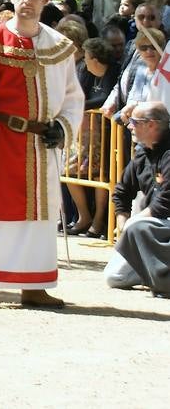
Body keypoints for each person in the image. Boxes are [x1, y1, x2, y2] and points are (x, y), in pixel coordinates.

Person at [0, 0, 84, 309]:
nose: (27, 1)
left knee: (41, 218)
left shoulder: (59, 47)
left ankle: (35, 284)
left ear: (45, 0)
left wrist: (63, 127)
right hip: (3, 141)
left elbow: (73, 96)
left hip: (42, 145)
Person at [103, 101, 170, 297]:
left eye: (134, 121)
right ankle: (154, 274)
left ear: (151, 124)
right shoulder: (142, 154)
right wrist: (123, 223)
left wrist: (134, 223)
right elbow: (121, 192)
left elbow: (167, 199)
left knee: (138, 225)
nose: (129, 126)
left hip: (163, 225)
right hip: (151, 227)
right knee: (114, 277)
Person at [65, 37, 120, 236]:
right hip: (85, 138)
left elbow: (105, 98)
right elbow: (81, 96)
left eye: (86, 57)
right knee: (69, 172)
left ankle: (98, 220)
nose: (84, 61)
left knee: (102, 176)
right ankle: (83, 216)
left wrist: (80, 107)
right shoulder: (88, 73)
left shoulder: (113, 72)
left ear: (95, 59)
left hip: (107, 136)